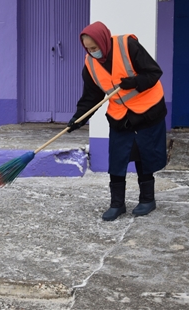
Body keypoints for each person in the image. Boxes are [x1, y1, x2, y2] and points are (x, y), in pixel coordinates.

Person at [67, 21, 168, 221]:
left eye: (94, 48)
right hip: (120, 116)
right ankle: (117, 204)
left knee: (144, 156)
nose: (91, 52)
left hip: (148, 111)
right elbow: (91, 96)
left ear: (103, 41)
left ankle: (147, 199)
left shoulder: (127, 46)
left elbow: (154, 72)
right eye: (87, 49)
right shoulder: (90, 64)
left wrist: (135, 82)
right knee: (117, 158)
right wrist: (79, 117)